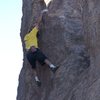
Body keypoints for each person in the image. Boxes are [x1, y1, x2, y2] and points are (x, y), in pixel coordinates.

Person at [24, 11, 59, 86]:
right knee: (44, 58)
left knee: (33, 67)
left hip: (28, 55)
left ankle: (37, 79)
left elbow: (27, 46)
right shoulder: (32, 33)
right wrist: (42, 13)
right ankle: (52, 67)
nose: (38, 29)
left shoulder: (26, 37)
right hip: (34, 50)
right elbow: (38, 24)